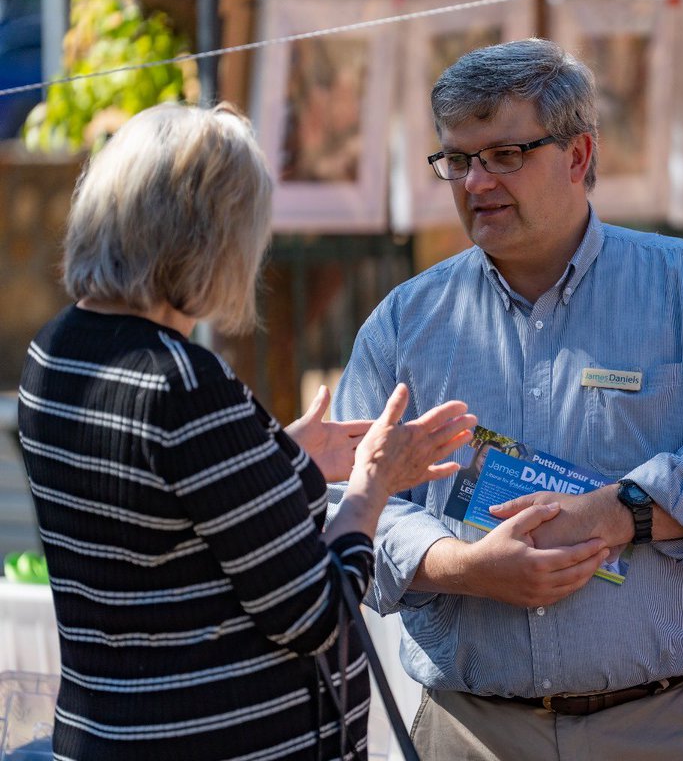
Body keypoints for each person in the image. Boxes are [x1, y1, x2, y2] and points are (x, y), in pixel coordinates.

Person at [330, 38, 683, 760]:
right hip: (471, 728)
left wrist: (622, 513)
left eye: (505, 155)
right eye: (458, 160)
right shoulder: (405, 323)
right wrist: (461, 567)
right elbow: (349, 500)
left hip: (665, 721)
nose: (475, 182)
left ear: (580, 156)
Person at [17, 102, 477, 760]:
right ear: (205, 238)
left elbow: (163, 513)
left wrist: (278, 458)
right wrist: (373, 485)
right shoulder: (182, 383)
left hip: (114, 731)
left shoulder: (56, 349)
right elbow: (316, 611)